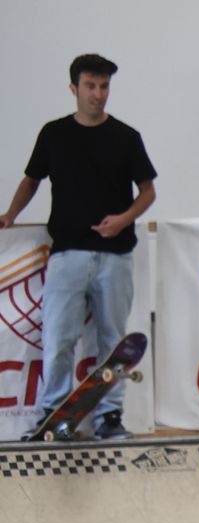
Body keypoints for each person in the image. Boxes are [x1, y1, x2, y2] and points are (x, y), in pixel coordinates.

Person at [2, 54, 156, 440]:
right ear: (74, 88)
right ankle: (54, 413)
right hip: (68, 252)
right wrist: (10, 214)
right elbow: (31, 179)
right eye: (90, 86)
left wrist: (124, 219)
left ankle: (110, 416)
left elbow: (148, 191)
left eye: (104, 87)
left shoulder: (126, 137)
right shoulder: (54, 134)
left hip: (115, 254)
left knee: (113, 342)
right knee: (58, 337)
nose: (98, 94)